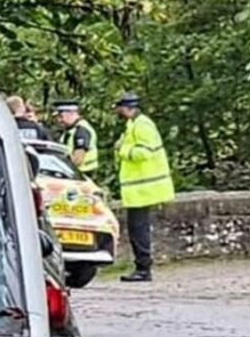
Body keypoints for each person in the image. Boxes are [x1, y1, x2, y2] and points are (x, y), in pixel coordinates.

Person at [113, 92, 175, 282]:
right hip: (138, 190)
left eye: (119, 108)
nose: (118, 111)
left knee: (139, 229)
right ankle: (141, 267)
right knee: (137, 228)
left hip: (144, 189)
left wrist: (123, 150)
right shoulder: (134, 124)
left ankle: (143, 268)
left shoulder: (142, 125)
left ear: (126, 108)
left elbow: (145, 152)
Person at [54, 100, 99, 176]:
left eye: (61, 117)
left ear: (71, 114)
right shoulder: (71, 130)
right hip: (76, 173)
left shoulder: (81, 131)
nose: (59, 120)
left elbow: (78, 159)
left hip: (83, 174)